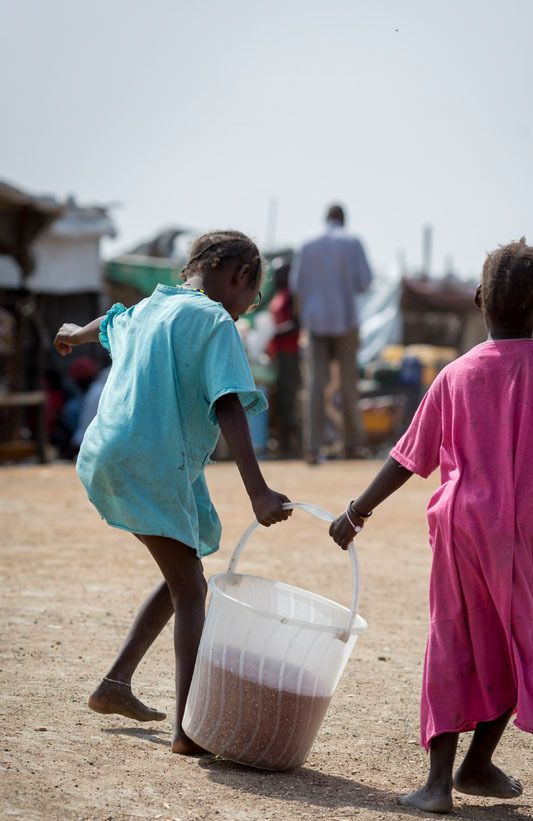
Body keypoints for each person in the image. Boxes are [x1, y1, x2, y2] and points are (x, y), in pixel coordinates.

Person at [329, 238, 533, 813]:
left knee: (451, 640)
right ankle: (477, 763)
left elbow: (406, 459)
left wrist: (357, 510)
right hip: (524, 534)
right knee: (518, 640)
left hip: (461, 528)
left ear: (479, 299)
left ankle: (438, 782)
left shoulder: (455, 374)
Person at [54, 230, 292, 755]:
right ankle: (187, 729)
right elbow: (230, 404)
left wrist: (73, 331)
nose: (251, 305)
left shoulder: (150, 308)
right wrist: (258, 491)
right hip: (152, 462)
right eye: (253, 294)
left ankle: (115, 684)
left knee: (183, 573)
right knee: (191, 590)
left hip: (110, 453)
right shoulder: (214, 322)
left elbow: (107, 323)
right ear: (239, 278)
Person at [290, 204, 372, 464]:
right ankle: (351, 446)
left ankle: (312, 448)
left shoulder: (306, 242)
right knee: (349, 384)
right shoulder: (353, 242)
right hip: (346, 319)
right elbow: (365, 282)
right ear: (343, 219)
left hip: (314, 322)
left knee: (315, 385)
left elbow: (295, 285)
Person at [267, 259, 302, 458]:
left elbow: (297, 324)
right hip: (278, 354)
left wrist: (275, 333)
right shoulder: (278, 296)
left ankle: (291, 448)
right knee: (279, 399)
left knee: (289, 399)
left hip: (290, 354)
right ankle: (283, 445)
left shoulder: (292, 297)